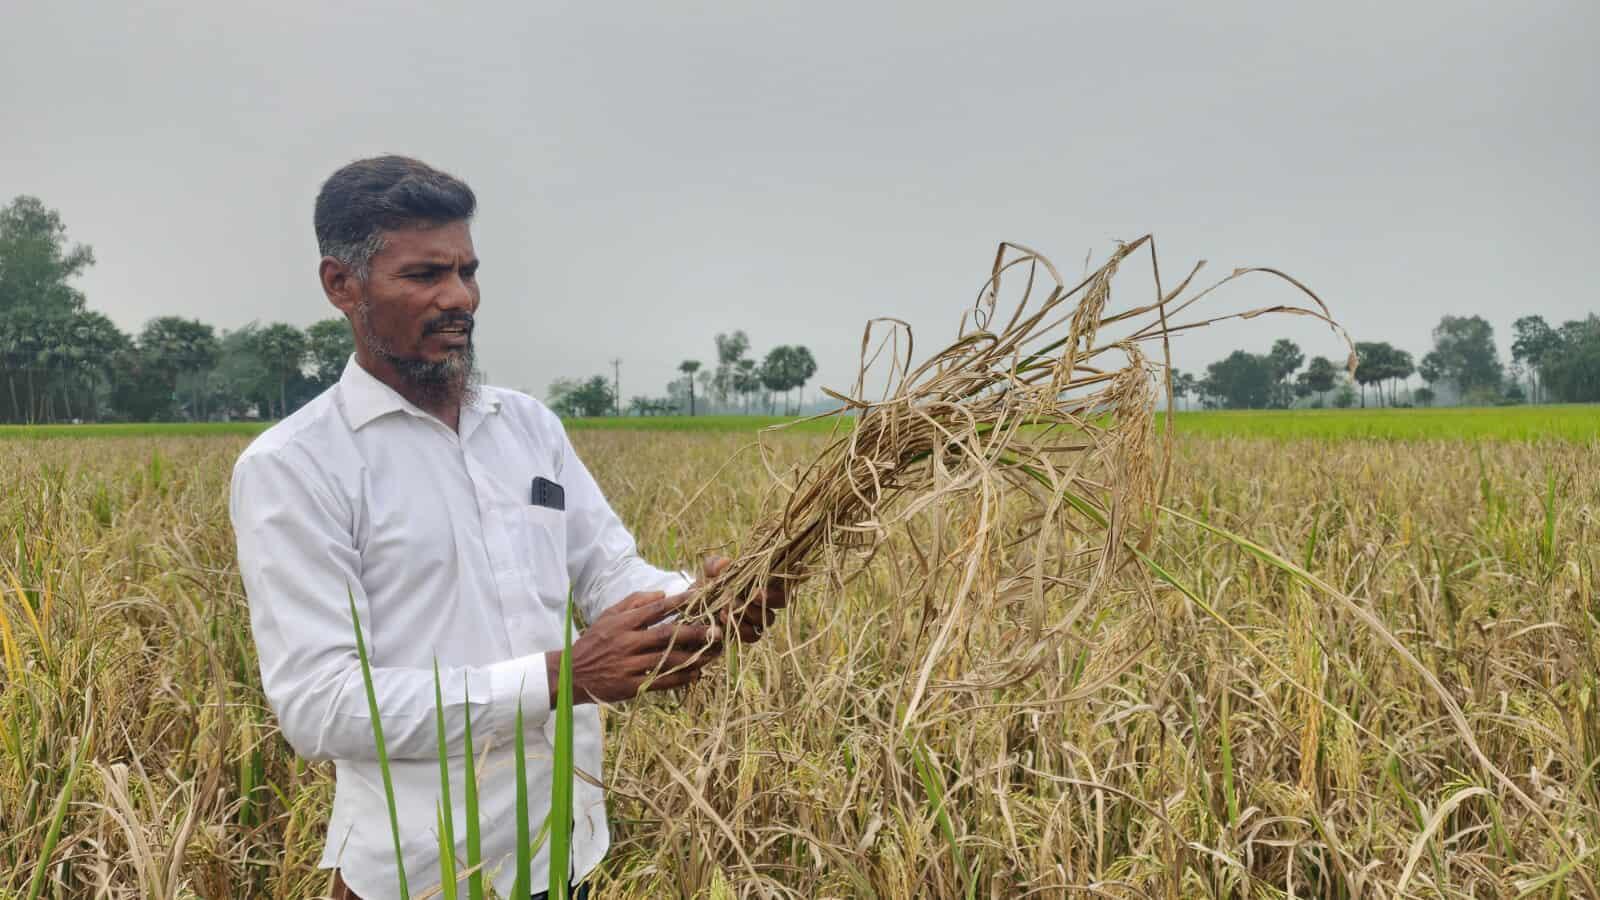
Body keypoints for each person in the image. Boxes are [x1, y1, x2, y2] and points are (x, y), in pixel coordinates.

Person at [229, 155, 783, 900]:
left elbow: (614, 576)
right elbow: (323, 706)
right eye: (424, 275)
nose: (459, 297)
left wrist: (708, 602)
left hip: (566, 853)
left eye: (467, 270)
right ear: (341, 285)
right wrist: (562, 678)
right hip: (417, 874)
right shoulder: (296, 467)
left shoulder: (526, 426)